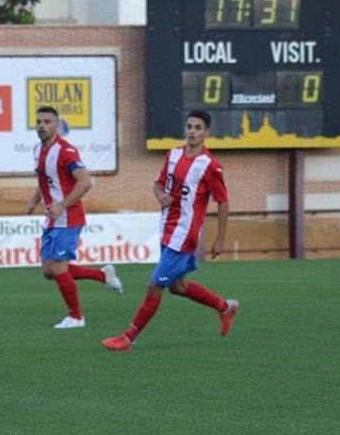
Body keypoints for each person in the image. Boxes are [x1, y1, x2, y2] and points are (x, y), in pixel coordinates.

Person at [101, 110, 238, 350]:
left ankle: (128, 338)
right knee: (178, 286)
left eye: (198, 128)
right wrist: (160, 194)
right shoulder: (172, 154)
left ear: (206, 133)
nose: (192, 132)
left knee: (155, 285)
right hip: (167, 229)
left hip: (184, 235)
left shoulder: (211, 166)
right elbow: (157, 184)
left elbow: (223, 201)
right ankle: (225, 307)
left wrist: (221, 238)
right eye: (189, 127)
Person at [22, 106, 123, 328]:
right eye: (38, 121)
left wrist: (61, 205)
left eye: (47, 121)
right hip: (52, 217)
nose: (41, 126)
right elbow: (44, 181)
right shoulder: (37, 150)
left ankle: (76, 316)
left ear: (57, 125)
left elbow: (85, 182)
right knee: (49, 271)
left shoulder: (66, 151)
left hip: (68, 217)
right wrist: (33, 202)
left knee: (58, 268)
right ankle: (103, 276)